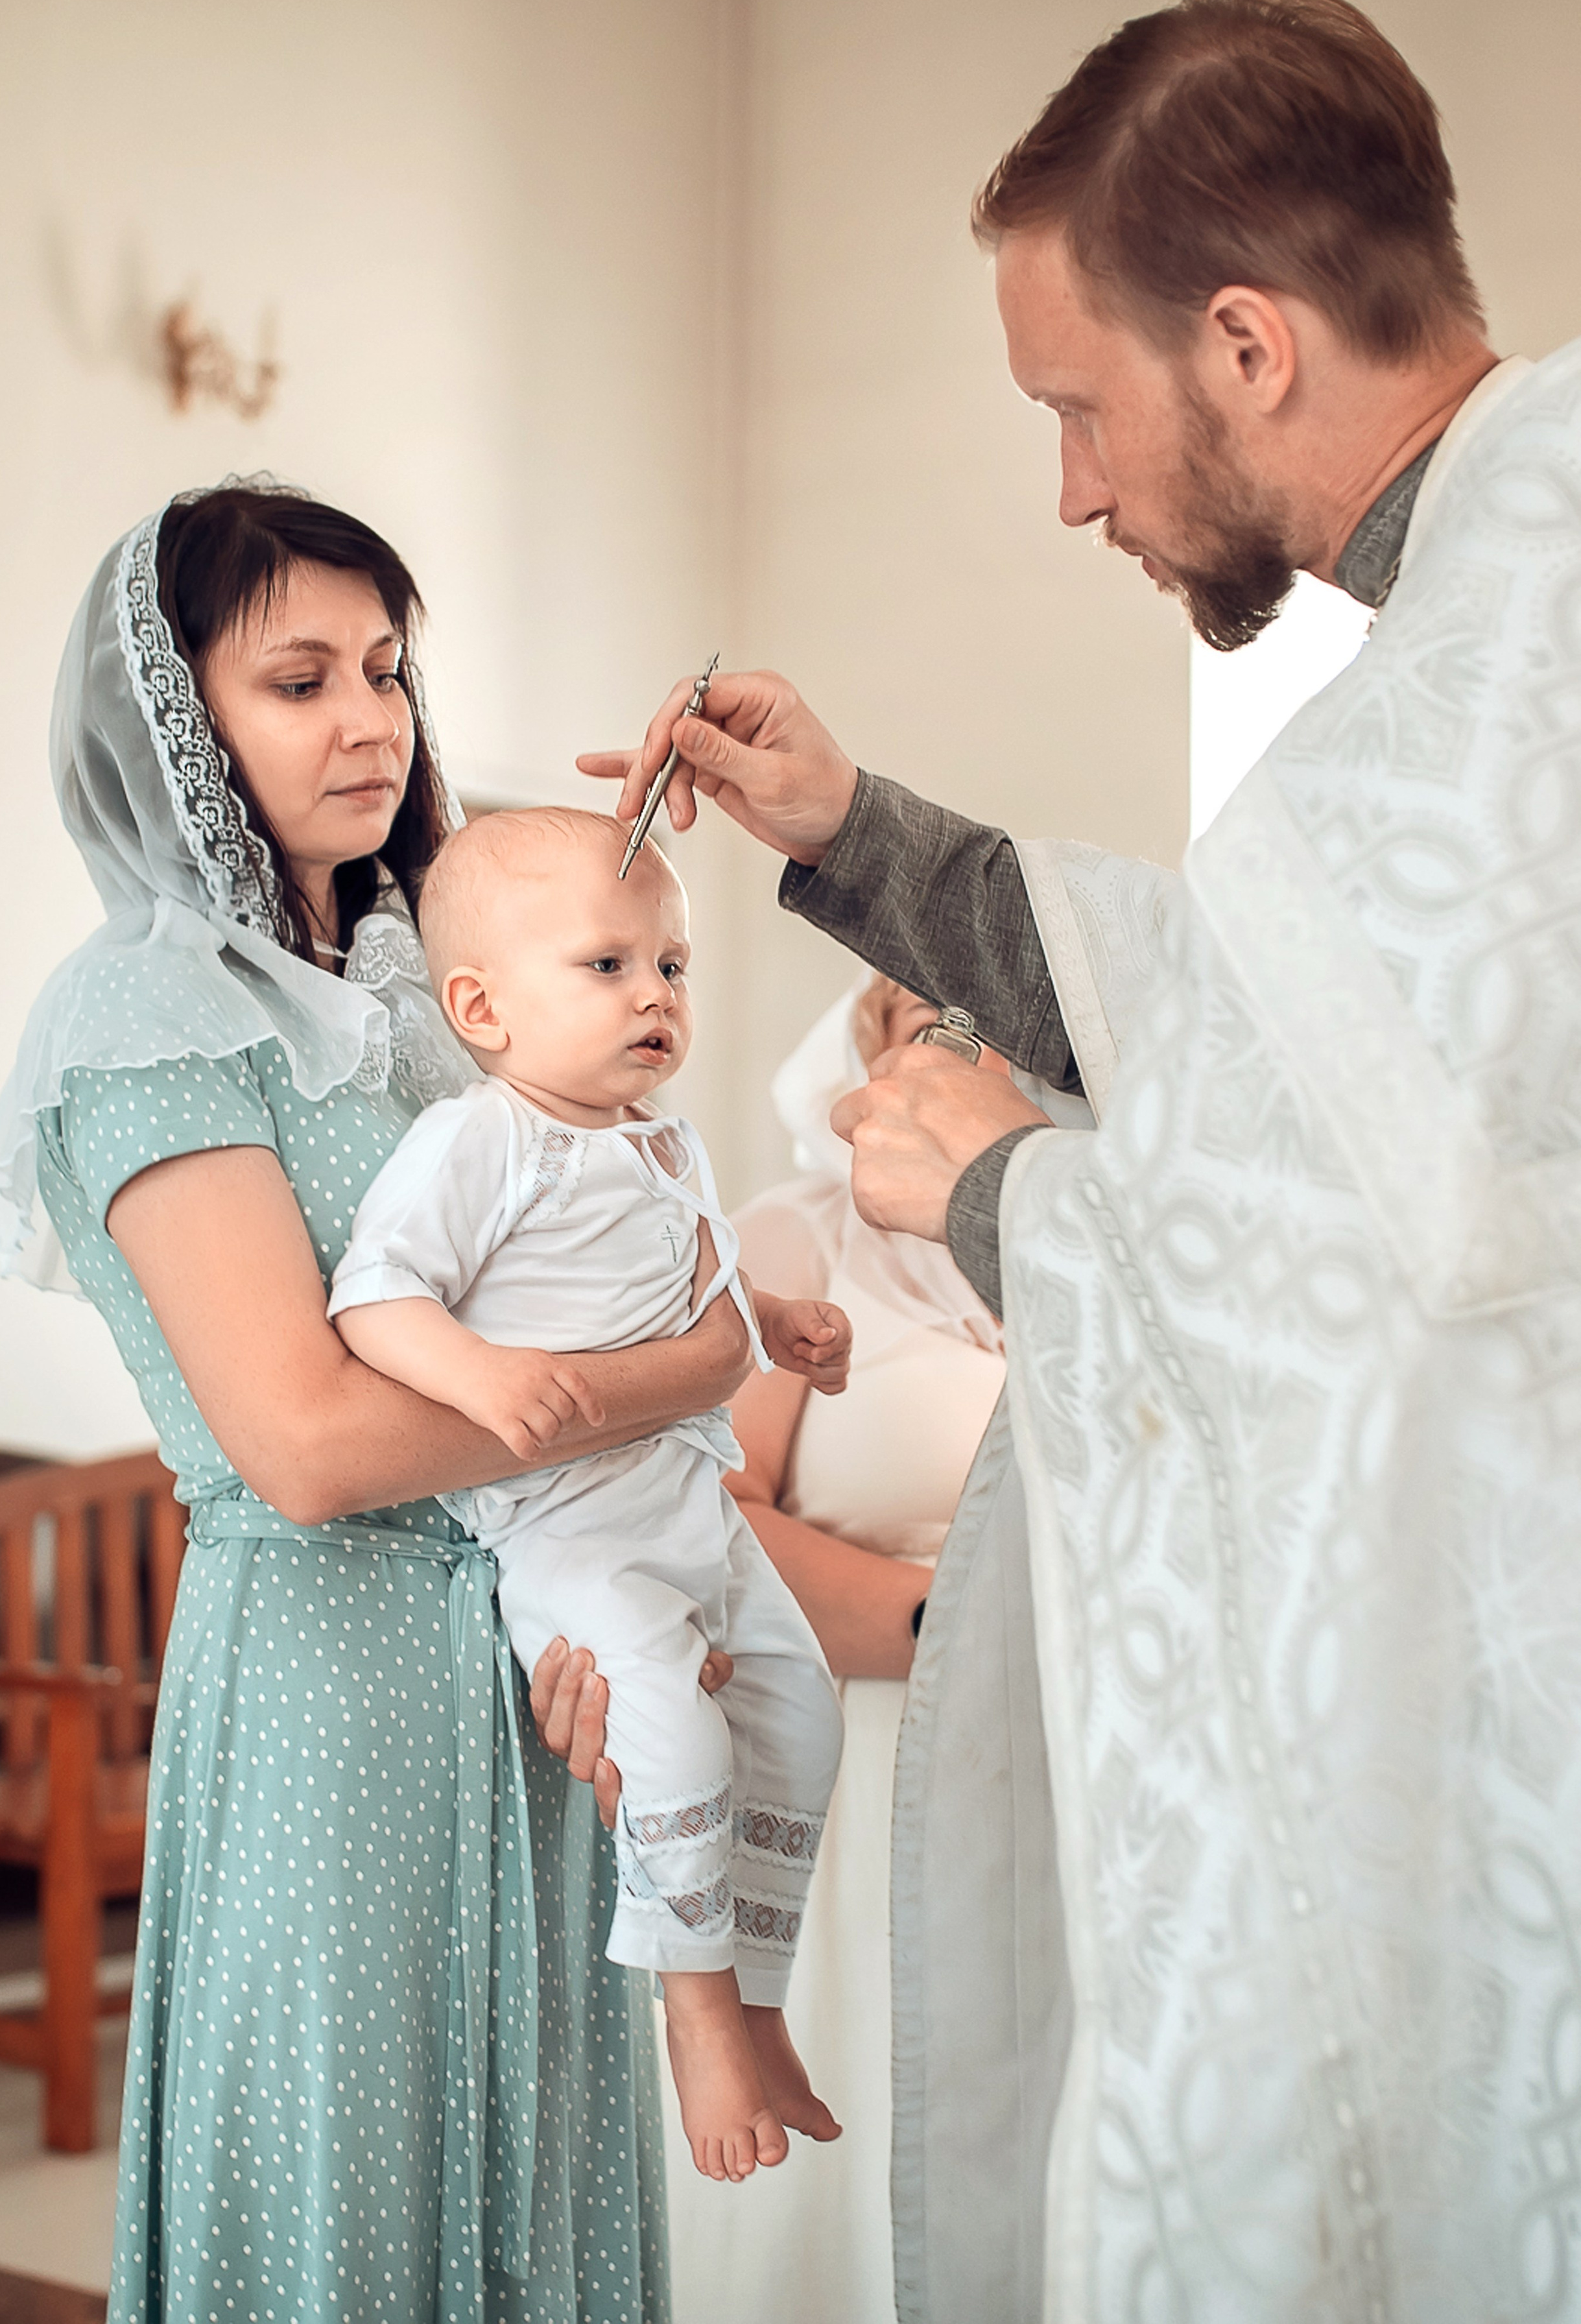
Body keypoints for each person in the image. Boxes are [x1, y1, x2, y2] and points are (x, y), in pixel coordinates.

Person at [578, 0, 1581, 2324]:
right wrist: (854, 832)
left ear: (1243, 342)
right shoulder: (1498, 647)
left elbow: (1410, 1301)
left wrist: (1006, 1189)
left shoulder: (1460, 717)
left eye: (1077, 406)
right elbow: (1294, 1064)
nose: (1074, 491)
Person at [0, 480, 756, 2323]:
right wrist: (685, 1375)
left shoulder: (422, 999)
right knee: (347, 2191)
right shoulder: (144, 1013)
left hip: (527, 1661)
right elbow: (300, 1445)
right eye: (298, 678)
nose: (370, 720)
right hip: (326, 1683)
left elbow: (588, 1267)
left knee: (535, 2160)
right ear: (179, 728)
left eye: (386, 669)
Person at [327, 806, 848, 2185]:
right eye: (606, 967)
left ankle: (753, 1996)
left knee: (798, 1709)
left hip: (688, 1505)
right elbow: (375, 1293)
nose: (655, 996)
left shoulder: (662, 1143)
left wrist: (776, 1316)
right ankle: (691, 2014)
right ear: (482, 1009)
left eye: (670, 966)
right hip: (569, 1531)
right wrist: (480, 1377)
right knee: (674, 1738)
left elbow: (697, 1273)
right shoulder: (476, 1139)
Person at [660, 970, 1031, 2324]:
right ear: (861, 1052)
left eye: (985, 1014)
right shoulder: (788, 1239)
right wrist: (941, 1623)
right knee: (867, 2076)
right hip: (853, 1745)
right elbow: (707, 1507)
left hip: (1055, 1749)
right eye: (915, 1012)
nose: (954, 1036)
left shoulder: (1093, 1255)